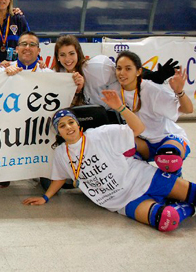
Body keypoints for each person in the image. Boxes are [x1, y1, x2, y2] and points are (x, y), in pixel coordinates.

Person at [23, 100, 196, 233]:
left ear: (78, 125)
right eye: (62, 125)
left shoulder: (101, 134)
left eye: (71, 122)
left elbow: (138, 128)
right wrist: (45, 198)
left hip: (143, 178)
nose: (68, 127)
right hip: (122, 201)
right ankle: (184, 207)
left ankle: (175, 197)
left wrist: (121, 108)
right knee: (166, 220)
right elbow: (59, 177)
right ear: (58, 132)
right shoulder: (61, 153)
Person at [114, 50, 192, 175]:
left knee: (168, 158)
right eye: (119, 68)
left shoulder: (152, 90)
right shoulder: (115, 91)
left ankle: (176, 179)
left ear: (139, 71)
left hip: (166, 139)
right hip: (143, 142)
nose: (122, 73)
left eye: (128, 69)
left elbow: (187, 109)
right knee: (117, 152)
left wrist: (179, 92)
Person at [53, 35, 181, 108]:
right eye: (63, 55)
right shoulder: (58, 75)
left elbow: (124, 70)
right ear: (57, 57)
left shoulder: (96, 67)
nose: (67, 59)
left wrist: (155, 76)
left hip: (120, 111)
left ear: (78, 53)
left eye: (71, 53)